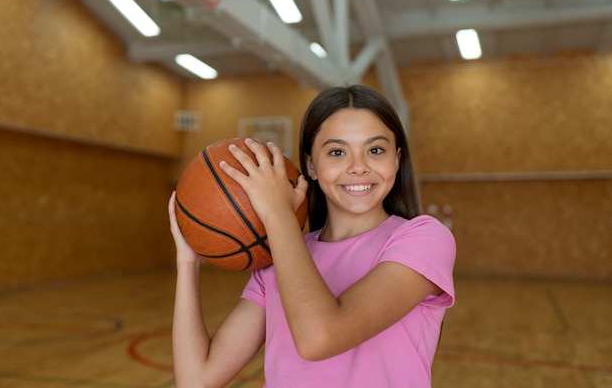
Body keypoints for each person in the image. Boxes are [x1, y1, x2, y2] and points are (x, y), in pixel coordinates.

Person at [168, 84, 456, 388]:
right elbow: (196, 379)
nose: (358, 167)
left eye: (375, 150)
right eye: (336, 152)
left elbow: (319, 338)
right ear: (311, 166)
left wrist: (276, 211)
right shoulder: (279, 256)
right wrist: (187, 263)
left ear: (396, 160)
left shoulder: (425, 238)